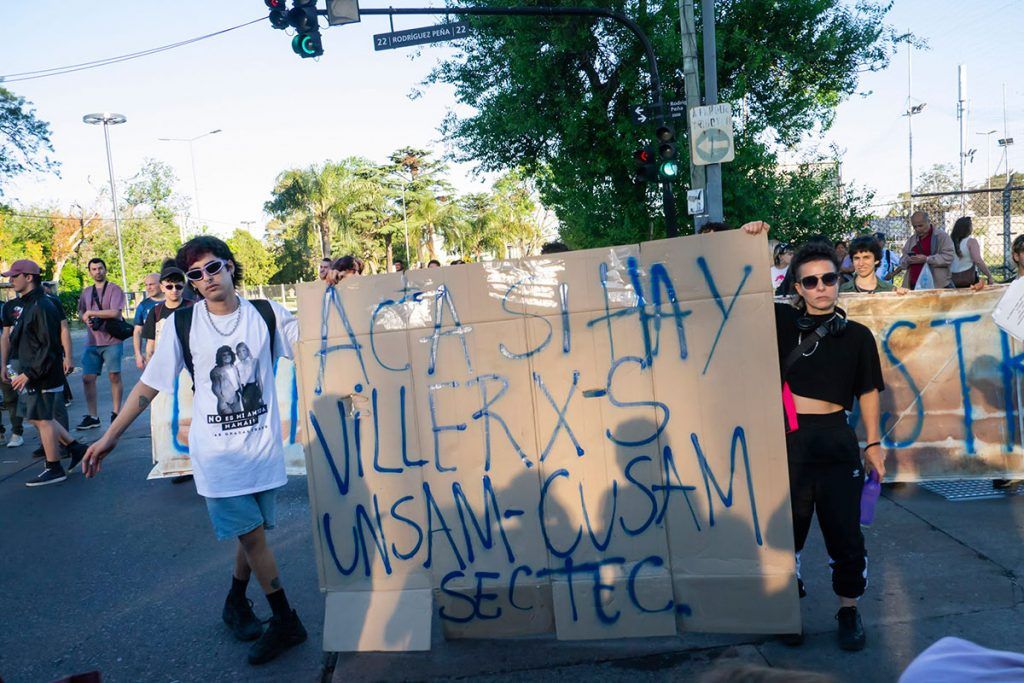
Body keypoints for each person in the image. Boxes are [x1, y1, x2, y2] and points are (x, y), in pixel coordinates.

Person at [82, 236, 307, 665]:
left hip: (261, 451)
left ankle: (235, 602)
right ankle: (286, 620)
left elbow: (315, 343)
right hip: (218, 457)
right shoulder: (183, 325)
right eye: (195, 274)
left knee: (252, 534)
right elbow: (149, 385)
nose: (207, 278)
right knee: (253, 537)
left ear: (230, 266)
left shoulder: (267, 313)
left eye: (214, 267)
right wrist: (111, 435)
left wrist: (332, 293)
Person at [745, 221, 885, 652]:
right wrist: (752, 242)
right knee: (787, 534)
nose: (821, 287)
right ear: (798, 287)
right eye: (811, 281)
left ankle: (849, 612)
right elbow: (739, 290)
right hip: (789, 441)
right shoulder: (781, 323)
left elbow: (868, 392)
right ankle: (787, 610)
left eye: (829, 278)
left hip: (837, 440)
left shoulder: (858, 336)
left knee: (846, 534)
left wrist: (874, 444)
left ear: (839, 280)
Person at [2, 260, 88, 486]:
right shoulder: (27, 304)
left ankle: (54, 467)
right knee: (35, 416)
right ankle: (75, 448)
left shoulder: (43, 305)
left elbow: (49, 346)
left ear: (29, 277)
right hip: (31, 370)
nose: (11, 280)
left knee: (43, 417)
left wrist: (30, 373)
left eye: (15, 276)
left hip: (42, 372)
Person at [141, 261, 194, 484]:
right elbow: (150, 345)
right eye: (169, 286)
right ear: (162, 287)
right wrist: (149, 367)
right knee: (167, 418)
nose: (174, 290)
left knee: (191, 416)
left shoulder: (193, 307)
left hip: (189, 371)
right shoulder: (155, 312)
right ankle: (176, 462)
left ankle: (194, 461)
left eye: (178, 286)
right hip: (165, 371)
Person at [77, 258, 127, 428]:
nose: (97, 271)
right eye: (94, 269)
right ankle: (93, 416)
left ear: (105, 270)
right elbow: (81, 312)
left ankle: (116, 413)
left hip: (112, 339)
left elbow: (115, 313)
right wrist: (86, 319)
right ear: (89, 272)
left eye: (100, 268)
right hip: (92, 341)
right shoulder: (86, 292)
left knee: (114, 376)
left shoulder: (114, 289)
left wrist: (92, 312)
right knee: (87, 378)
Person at [899, 211, 955, 289]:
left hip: (937, 286)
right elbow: (902, 261)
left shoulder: (941, 237)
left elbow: (949, 257)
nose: (917, 229)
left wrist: (927, 259)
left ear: (928, 221)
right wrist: (908, 260)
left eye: (920, 226)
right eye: (915, 227)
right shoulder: (912, 240)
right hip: (915, 286)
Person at [839, 236, 908, 294]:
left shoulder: (890, 291)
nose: (861, 263)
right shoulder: (843, 291)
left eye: (866, 258)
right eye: (857, 258)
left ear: (876, 260)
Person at [949, 217, 994, 288]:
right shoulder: (971, 242)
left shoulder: (950, 242)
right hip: (968, 279)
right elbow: (978, 260)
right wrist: (989, 275)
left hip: (953, 279)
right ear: (968, 228)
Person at [133, 272, 163, 370]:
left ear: (161, 284)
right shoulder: (143, 306)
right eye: (146, 285)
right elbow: (138, 331)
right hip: (152, 353)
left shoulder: (171, 301)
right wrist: (138, 354)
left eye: (151, 284)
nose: (148, 288)